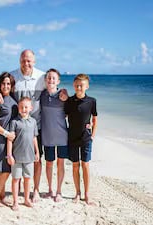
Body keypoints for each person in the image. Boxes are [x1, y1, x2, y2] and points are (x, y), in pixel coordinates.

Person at [0, 49, 68, 202]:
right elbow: (4, 87)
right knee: (18, 159)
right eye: (23, 60)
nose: (26, 63)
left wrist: (64, 93)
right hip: (18, 127)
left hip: (37, 126)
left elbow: (53, 88)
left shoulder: (41, 77)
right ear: (19, 61)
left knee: (36, 159)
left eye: (29, 60)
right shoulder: (13, 76)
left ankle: (35, 190)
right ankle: (19, 189)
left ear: (34, 61)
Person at [64, 73, 97, 205]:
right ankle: (77, 193)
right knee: (75, 165)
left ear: (87, 86)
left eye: (81, 85)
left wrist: (93, 135)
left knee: (85, 165)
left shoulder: (92, 101)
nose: (79, 87)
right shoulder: (69, 101)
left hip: (86, 138)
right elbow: (62, 117)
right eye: (77, 85)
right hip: (72, 137)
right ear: (74, 85)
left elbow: (95, 119)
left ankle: (87, 194)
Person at [40, 68, 68, 202]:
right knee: (49, 163)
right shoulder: (42, 96)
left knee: (60, 163)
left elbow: (71, 112)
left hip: (62, 136)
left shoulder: (63, 96)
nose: (51, 80)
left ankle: (59, 191)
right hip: (47, 136)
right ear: (45, 80)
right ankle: (50, 190)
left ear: (58, 81)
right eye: (49, 78)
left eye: (53, 78)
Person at [7, 97, 39, 210]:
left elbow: (34, 138)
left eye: (26, 107)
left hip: (29, 156)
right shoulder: (14, 122)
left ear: (31, 108)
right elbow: (10, 139)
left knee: (27, 178)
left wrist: (37, 152)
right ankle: (15, 202)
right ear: (18, 108)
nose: (23, 109)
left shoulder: (33, 121)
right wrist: (9, 155)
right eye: (21, 107)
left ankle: (26, 199)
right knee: (16, 179)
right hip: (16, 157)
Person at [0, 72, 18, 207]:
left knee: (2, 170)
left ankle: (1, 195)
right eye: (3, 83)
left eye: (8, 83)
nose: (6, 86)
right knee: (5, 171)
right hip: (0, 139)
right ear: (0, 84)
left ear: (12, 85)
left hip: (10, 140)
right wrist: (6, 133)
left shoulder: (13, 98)